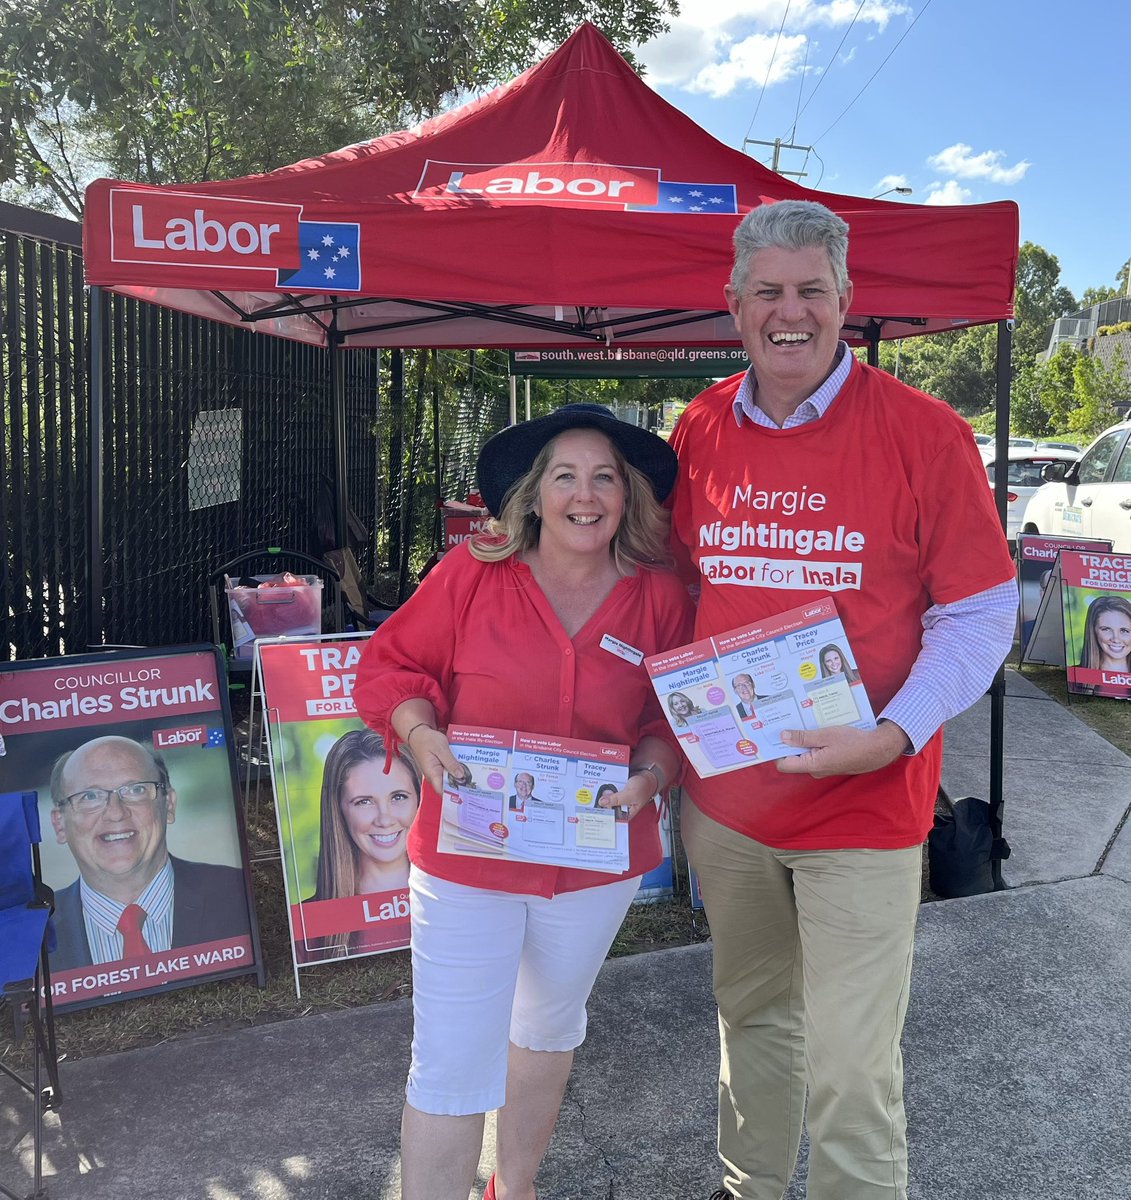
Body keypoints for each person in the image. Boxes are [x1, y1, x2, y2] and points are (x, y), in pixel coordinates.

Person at [668, 199, 1017, 1200]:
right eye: (768, 292)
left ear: (846, 301)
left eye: (810, 290)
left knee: (854, 1070)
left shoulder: (925, 432)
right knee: (753, 1025)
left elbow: (981, 612)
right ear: (734, 308)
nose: (790, 311)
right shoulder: (700, 428)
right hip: (729, 812)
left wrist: (896, 731)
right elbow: (670, 584)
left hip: (866, 810)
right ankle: (749, 1189)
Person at [353, 402, 694, 1200]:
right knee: (450, 1055)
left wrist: (651, 776)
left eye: (604, 477)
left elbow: (667, 721)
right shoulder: (474, 571)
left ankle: (514, 1188)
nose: (586, 494)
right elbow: (394, 667)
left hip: (591, 865)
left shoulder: (659, 596)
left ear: (627, 496)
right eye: (565, 476)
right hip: (470, 855)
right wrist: (420, 732)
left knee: (545, 1028)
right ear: (534, 495)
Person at [48, 734, 250, 971]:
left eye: (135, 790)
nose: (115, 813)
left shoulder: (237, 895)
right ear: (59, 825)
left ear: (169, 805)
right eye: (90, 796)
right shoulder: (35, 933)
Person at [301, 728, 421, 959]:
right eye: (364, 801)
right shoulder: (310, 926)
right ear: (338, 810)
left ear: (419, 797)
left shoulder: (457, 903)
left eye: (398, 797)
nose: (385, 819)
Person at [1077, 594, 1131, 674]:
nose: (1116, 639)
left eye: (1124, 630)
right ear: (1093, 631)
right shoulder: (1077, 675)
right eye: (1106, 629)